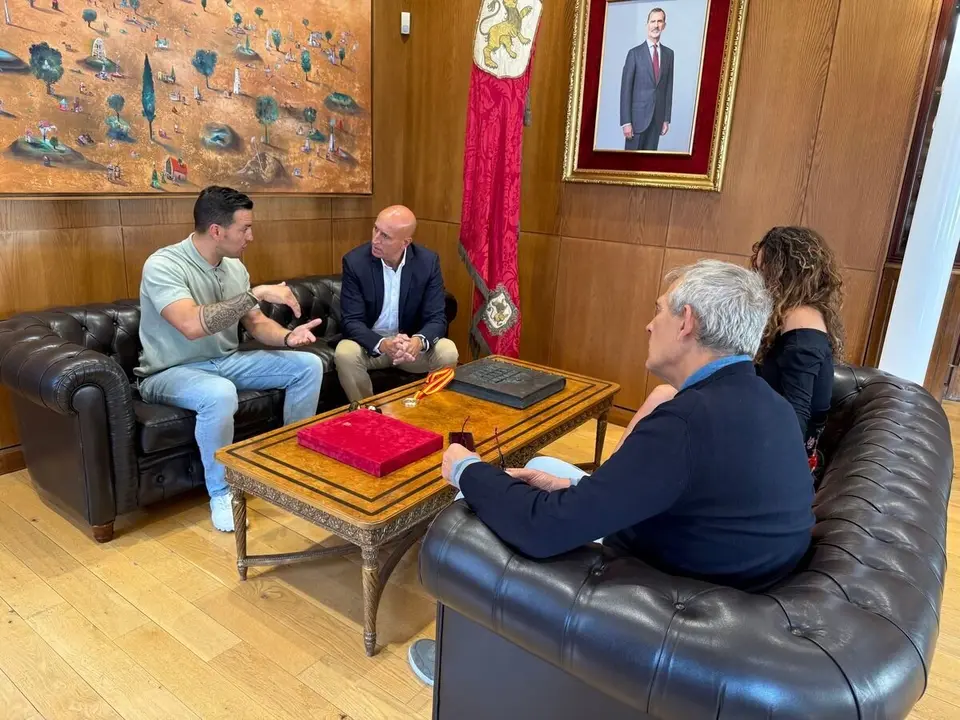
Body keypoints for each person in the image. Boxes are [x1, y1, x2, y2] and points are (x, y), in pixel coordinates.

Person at [408, 260, 815, 686]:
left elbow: (544, 528)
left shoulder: (686, 423)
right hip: (723, 571)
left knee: (477, 505)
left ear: (686, 323)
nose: (648, 325)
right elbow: (685, 494)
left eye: (659, 311)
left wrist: (467, 470)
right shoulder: (769, 403)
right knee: (542, 467)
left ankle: (467, 664)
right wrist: (573, 486)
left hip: (677, 600)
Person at [135, 186, 325, 533]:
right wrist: (256, 293)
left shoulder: (234, 267)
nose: (251, 236)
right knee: (219, 392)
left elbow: (255, 322)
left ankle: (287, 465)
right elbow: (191, 324)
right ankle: (222, 492)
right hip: (170, 372)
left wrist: (287, 337)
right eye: (245, 229)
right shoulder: (163, 265)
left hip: (226, 360)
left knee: (308, 365)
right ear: (217, 231)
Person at [334, 205, 459, 403]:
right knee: (345, 353)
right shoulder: (355, 262)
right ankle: (369, 416)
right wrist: (383, 344)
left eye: (385, 236)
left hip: (409, 347)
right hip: (373, 346)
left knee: (448, 351)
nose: (375, 239)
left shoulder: (427, 262)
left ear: (405, 242)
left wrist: (417, 342)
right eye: (376, 229)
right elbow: (351, 321)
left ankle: (428, 412)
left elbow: (437, 317)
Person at [751, 226, 845, 470]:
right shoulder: (800, 315)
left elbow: (797, 410)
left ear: (784, 274)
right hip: (774, 439)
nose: (759, 281)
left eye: (764, 272)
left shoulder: (801, 319)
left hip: (787, 458)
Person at [620, 6, 674, 151]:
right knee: (629, 167)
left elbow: (668, 88)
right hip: (636, 122)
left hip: (657, 120)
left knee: (649, 166)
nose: (656, 25)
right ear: (647, 25)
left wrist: (666, 118)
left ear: (664, 25)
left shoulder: (669, 54)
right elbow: (626, 89)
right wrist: (626, 122)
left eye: (660, 21)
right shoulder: (634, 54)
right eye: (653, 21)